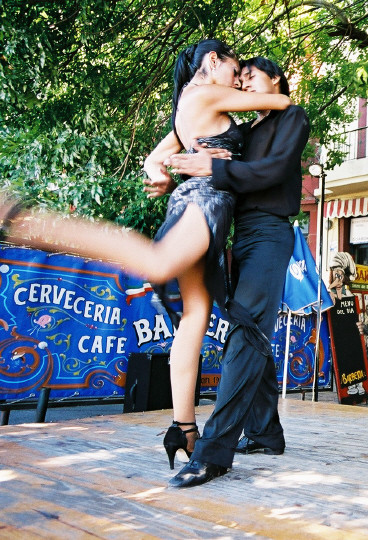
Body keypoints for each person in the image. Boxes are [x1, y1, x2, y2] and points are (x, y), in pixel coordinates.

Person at [0, 39, 292, 471]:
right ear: (214, 61)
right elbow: (281, 99)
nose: (240, 78)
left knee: (195, 319)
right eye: (237, 69)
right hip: (205, 203)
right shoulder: (207, 93)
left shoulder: (189, 105)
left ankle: (184, 427)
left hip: (198, 202)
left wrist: (162, 177)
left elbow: (154, 160)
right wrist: (253, 100)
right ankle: (31, 224)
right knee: (157, 264)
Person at [153, 57, 311, 488]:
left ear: (275, 79)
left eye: (250, 78)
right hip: (237, 237)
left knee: (245, 335)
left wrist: (218, 168)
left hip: (271, 232)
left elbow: (275, 170)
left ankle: (213, 452)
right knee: (247, 329)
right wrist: (179, 167)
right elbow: (188, 143)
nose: (243, 85)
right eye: (238, 80)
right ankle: (266, 434)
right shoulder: (247, 129)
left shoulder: (291, 116)